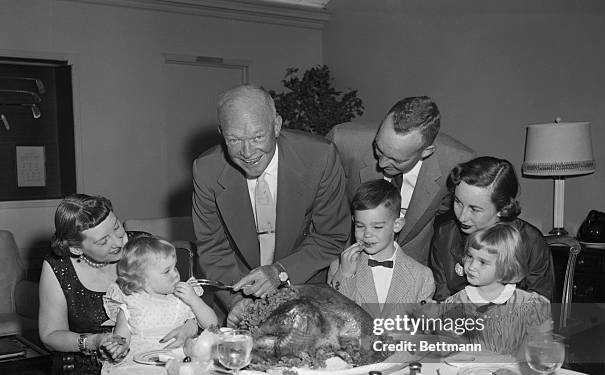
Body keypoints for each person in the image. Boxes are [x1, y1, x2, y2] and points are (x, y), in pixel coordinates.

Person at [192, 84, 351, 324]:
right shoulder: (206, 170)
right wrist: (238, 302)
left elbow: (331, 236)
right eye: (234, 139)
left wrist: (280, 271)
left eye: (257, 137)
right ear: (221, 133)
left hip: (306, 289)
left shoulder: (320, 157)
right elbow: (213, 250)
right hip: (236, 291)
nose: (247, 152)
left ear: (276, 125)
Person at [18, 194, 133, 375]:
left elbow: (180, 304)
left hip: (150, 359)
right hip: (91, 371)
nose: (118, 242)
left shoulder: (142, 247)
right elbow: (51, 335)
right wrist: (93, 342)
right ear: (75, 247)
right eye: (103, 241)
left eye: (117, 228)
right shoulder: (59, 267)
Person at [328, 96, 475, 266]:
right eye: (378, 149)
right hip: (345, 260)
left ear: (426, 152)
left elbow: (446, 209)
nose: (381, 163)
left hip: (411, 268)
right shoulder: (343, 141)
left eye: (396, 160)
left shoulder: (457, 163)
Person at [429, 156, 554, 301]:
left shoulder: (531, 242)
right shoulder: (445, 235)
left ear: (503, 209)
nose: (462, 217)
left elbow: (539, 310)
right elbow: (442, 301)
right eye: (458, 202)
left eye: (475, 209)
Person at [328, 179, 434, 319]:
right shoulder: (339, 268)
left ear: (397, 225)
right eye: (360, 226)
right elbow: (334, 316)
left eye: (377, 227)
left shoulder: (422, 276)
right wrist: (346, 276)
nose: (367, 234)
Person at [439, 224, 551, 354]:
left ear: (505, 267)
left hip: (515, 372)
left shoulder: (529, 305)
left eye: (482, 262)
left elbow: (542, 351)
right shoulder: (456, 304)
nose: (471, 266)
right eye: (470, 257)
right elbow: (448, 350)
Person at [103, 235, 218, 361]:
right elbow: (121, 338)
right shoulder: (131, 303)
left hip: (178, 359)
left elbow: (211, 324)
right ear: (142, 280)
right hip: (141, 361)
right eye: (166, 271)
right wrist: (119, 347)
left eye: (174, 267)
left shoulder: (181, 298)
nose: (175, 274)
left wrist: (195, 300)